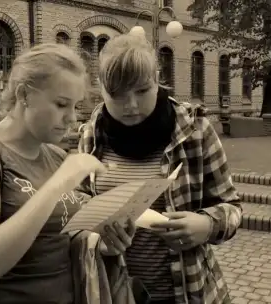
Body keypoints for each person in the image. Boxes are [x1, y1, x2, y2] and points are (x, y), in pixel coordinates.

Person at [0, 43, 135, 304]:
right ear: (24, 94)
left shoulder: (55, 156)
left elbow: (59, 241)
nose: (71, 118)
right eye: (61, 104)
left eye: (75, 107)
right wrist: (57, 184)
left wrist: (103, 243)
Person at [77, 33, 242, 303]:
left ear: (157, 79)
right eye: (117, 94)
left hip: (185, 293)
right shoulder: (90, 135)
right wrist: (95, 232)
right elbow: (76, 210)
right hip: (113, 292)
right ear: (101, 88)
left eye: (142, 91)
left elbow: (233, 208)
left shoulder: (195, 131)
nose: (130, 105)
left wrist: (206, 225)